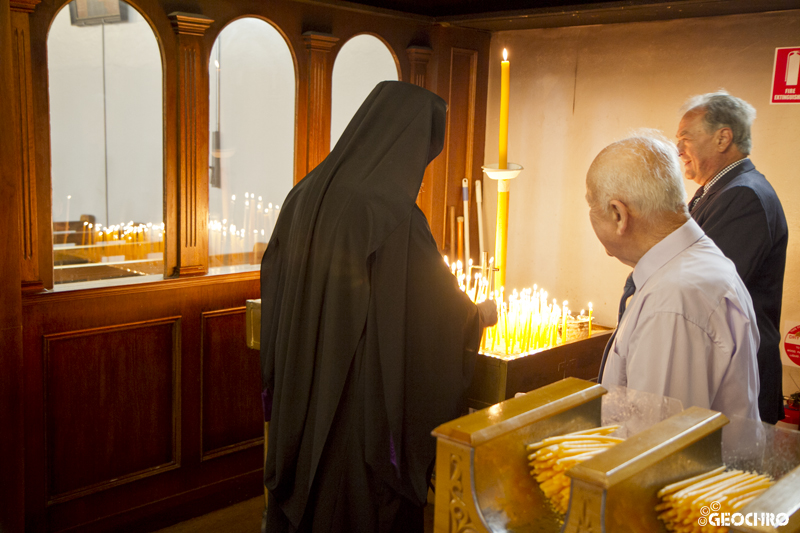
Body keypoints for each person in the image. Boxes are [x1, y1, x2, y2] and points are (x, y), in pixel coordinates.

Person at [259, 81, 497, 533]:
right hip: (354, 403)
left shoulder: (303, 195)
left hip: (300, 388)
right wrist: (476, 315)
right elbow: (433, 311)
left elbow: (273, 276)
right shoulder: (393, 217)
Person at [588, 132, 760, 423]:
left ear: (619, 214)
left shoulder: (671, 301)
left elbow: (656, 448)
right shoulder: (691, 266)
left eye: (590, 204)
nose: (589, 214)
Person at [677, 91, 788, 424]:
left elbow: (702, 290)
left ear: (723, 137)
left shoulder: (744, 194)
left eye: (685, 139)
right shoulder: (721, 188)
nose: (678, 150)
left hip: (736, 378)